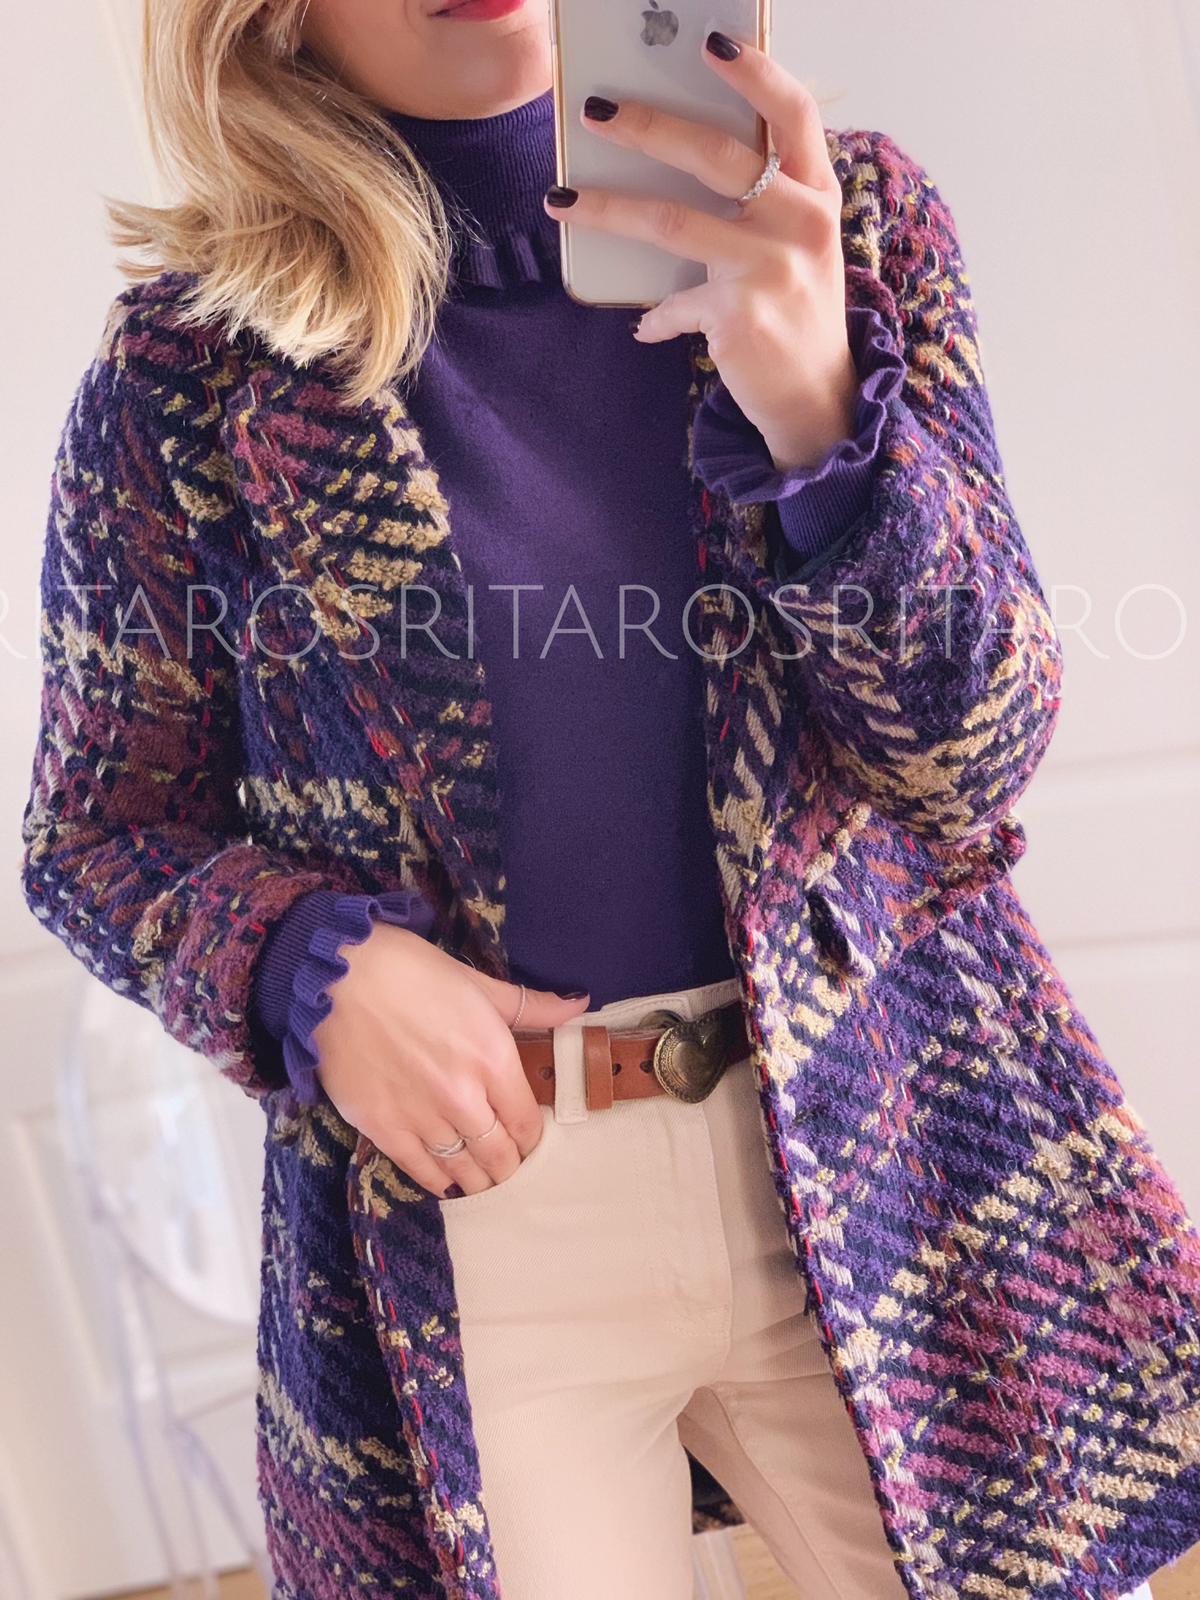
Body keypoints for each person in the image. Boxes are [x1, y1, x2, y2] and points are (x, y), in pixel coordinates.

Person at [19, 1, 1199, 1597]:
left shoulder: (846, 230)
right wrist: (306, 967)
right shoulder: (189, 379)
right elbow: (97, 832)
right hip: (478, 1218)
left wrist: (821, 420)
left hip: (875, 1138)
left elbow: (970, 756)